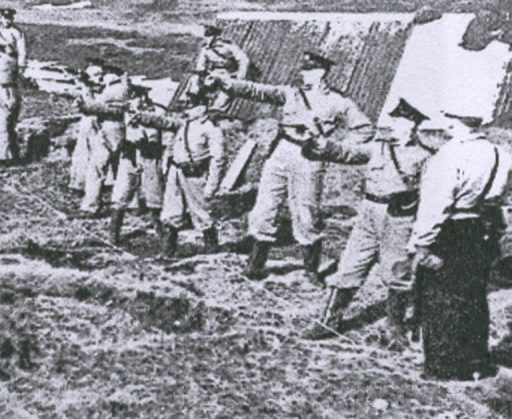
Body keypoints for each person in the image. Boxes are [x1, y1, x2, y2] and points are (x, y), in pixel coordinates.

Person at [215, 51, 373, 283]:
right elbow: (258, 91)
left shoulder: (339, 102)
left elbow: (364, 130)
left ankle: (311, 271)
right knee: (263, 209)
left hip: (309, 157)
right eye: (303, 69)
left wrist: (333, 148)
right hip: (281, 150)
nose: (302, 73)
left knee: (306, 213)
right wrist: (229, 84)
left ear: (320, 72)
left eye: (308, 70)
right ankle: (255, 266)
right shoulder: (291, 93)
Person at [299, 99, 435, 347]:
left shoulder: (424, 156)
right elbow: (348, 153)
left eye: (399, 121)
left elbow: (430, 196)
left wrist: (421, 229)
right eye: (393, 119)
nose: (393, 124)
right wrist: (322, 144)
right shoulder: (379, 147)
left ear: (413, 125)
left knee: (397, 272)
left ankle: (394, 327)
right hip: (368, 213)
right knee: (350, 265)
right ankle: (328, 321)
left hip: (400, 219)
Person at [405, 111, 511, 380]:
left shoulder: (451, 155)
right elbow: (500, 196)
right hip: (480, 228)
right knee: (473, 296)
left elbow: (435, 204)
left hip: (452, 228)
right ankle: (475, 359)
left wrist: (423, 244)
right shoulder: (498, 152)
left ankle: (442, 367)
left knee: (440, 297)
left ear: (453, 123)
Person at [133, 85, 226, 256]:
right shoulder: (185, 124)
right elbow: (163, 122)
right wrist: (141, 117)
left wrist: (212, 185)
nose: (187, 108)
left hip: (195, 174)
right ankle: (168, 251)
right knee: (171, 211)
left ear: (202, 107)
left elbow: (218, 159)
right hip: (176, 172)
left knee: (202, 213)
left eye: (191, 105)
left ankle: (212, 251)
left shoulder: (211, 129)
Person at [108, 84, 167, 244]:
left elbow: (165, 139)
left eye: (142, 96)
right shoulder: (126, 112)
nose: (139, 100)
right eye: (135, 96)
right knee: (120, 195)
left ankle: (163, 234)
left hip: (150, 157)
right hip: (130, 157)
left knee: (155, 198)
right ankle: (113, 235)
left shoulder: (158, 112)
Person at [76, 65, 130, 217]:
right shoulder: (119, 87)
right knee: (119, 168)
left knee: (97, 168)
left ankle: (91, 206)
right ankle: (130, 204)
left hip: (110, 130)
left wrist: (85, 101)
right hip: (113, 129)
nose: (101, 77)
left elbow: (102, 107)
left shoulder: (115, 89)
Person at [0, 7, 27, 165]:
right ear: (0, 18)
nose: (7, 20)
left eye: (9, 18)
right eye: (4, 18)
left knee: (2, 122)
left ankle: (3, 156)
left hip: (7, 71)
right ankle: (8, 154)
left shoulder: (17, 33)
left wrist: (20, 67)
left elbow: (22, 52)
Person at [190, 24, 250, 112]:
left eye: (209, 36)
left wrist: (240, 76)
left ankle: (217, 109)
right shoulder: (206, 49)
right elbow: (201, 64)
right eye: (206, 36)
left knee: (226, 89)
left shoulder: (228, 46)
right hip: (213, 73)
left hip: (227, 73)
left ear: (216, 36)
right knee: (194, 79)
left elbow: (243, 60)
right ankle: (192, 102)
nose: (207, 39)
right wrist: (202, 73)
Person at [68, 60, 105, 193]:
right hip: (89, 123)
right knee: (84, 152)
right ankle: (79, 182)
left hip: (100, 123)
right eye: (96, 75)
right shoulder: (85, 90)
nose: (100, 77)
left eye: (101, 74)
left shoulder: (105, 90)